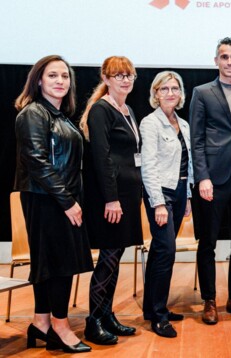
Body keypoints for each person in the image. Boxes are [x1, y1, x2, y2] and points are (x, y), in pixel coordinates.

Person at [14, 55, 93, 353]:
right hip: (47, 199)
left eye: (65, 76)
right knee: (60, 265)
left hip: (59, 198)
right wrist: (67, 202)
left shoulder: (60, 116)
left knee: (51, 263)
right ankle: (61, 326)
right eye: (52, 76)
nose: (60, 81)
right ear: (38, 80)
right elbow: (37, 161)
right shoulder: (33, 113)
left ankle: (41, 322)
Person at [190, 37, 231, 324]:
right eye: (224, 57)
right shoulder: (202, 93)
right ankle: (209, 301)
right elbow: (196, 139)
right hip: (213, 181)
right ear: (216, 60)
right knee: (208, 242)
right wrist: (202, 177)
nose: (229, 61)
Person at [79, 56, 143, 345]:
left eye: (129, 75)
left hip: (127, 196)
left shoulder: (127, 109)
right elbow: (101, 158)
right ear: (105, 79)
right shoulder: (101, 110)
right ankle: (93, 322)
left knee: (115, 257)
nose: (125, 80)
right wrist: (111, 199)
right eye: (118, 75)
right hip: (111, 198)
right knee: (107, 259)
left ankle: (107, 315)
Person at [140, 71, 193, 338]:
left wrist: (189, 198)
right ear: (155, 94)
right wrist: (158, 203)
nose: (170, 93)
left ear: (181, 93)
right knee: (167, 251)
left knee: (161, 253)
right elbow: (148, 166)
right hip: (161, 194)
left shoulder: (183, 124)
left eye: (175, 88)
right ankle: (159, 317)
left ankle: (152, 307)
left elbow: (189, 162)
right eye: (164, 89)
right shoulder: (150, 123)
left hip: (181, 190)